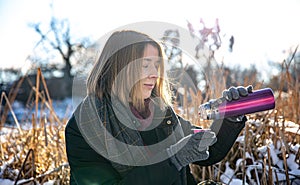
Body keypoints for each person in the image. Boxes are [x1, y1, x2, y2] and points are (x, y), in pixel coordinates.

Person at [65, 30, 252, 185]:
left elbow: (208, 150)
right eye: (145, 65)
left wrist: (230, 116)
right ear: (120, 68)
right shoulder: (86, 124)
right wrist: (172, 159)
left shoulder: (159, 111)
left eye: (157, 65)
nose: (155, 74)